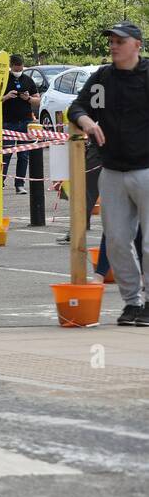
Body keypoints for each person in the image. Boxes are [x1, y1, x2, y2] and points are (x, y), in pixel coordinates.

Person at [67, 22, 149, 326]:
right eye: (111, 41)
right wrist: (87, 121)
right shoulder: (102, 77)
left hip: (146, 169)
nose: (113, 46)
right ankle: (132, 303)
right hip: (112, 169)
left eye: (120, 41)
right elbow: (76, 107)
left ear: (137, 44)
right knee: (116, 240)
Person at [0, 54, 40, 194]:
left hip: (25, 121)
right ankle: (1, 181)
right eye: (16, 68)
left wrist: (27, 98)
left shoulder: (28, 80)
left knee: (24, 155)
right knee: (6, 153)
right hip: (8, 122)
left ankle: (19, 184)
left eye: (20, 68)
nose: (18, 70)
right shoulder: (4, 80)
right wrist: (6, 96)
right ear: (11, 67)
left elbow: (37, 100)